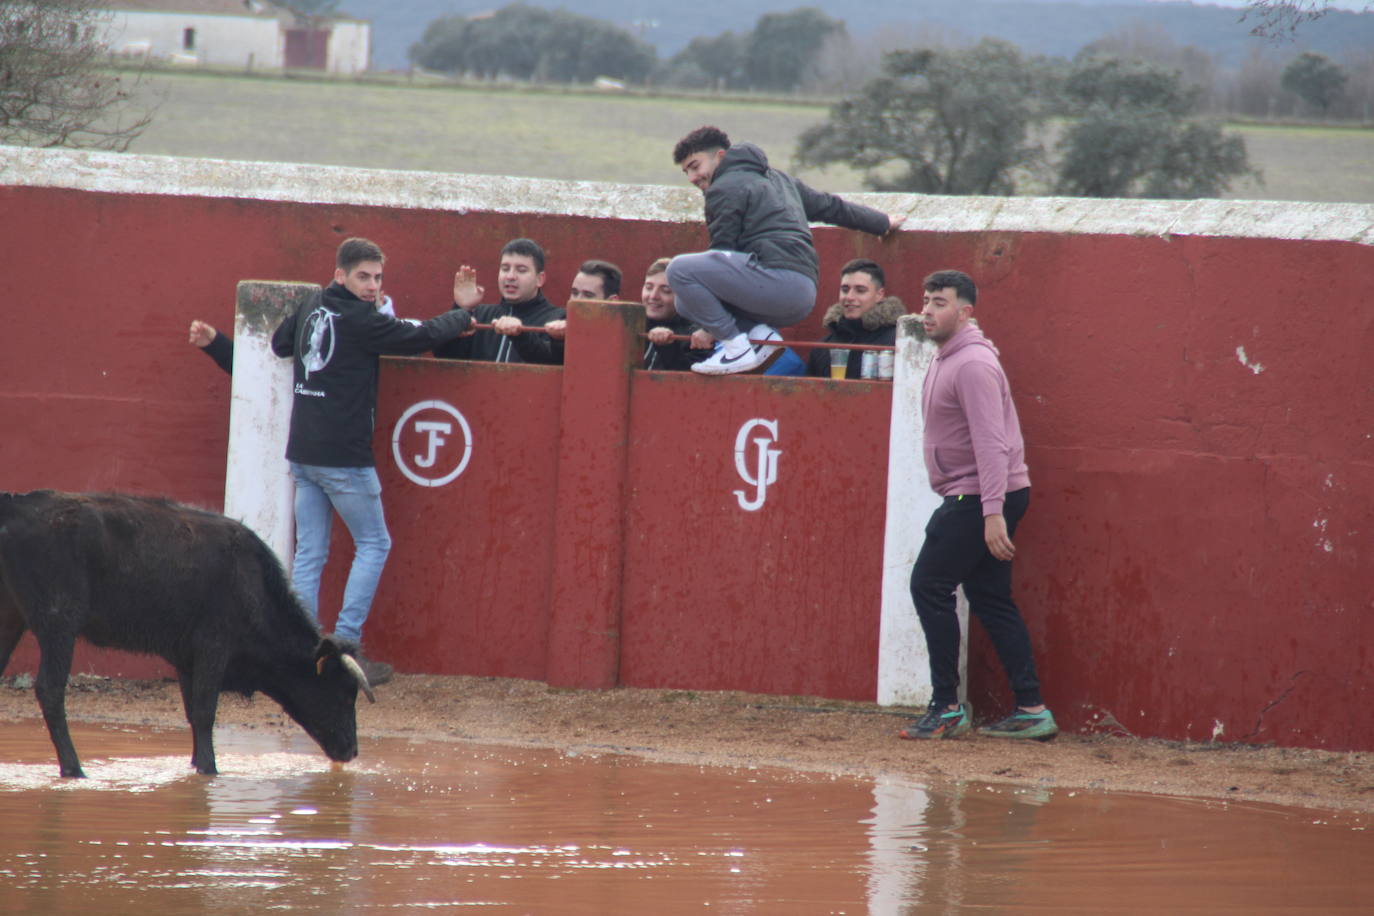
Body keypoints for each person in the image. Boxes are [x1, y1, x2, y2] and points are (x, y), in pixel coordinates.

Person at [271, 237, 474, 686]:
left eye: (378, 278)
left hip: (303, 451)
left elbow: (280, 344)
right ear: (340, 274)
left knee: (311, 553)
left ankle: (304, 648)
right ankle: (344, 647)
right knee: (375, 544)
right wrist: (463, 312)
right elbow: (421, 337)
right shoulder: (361, 319)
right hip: (343, 457)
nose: (372, 286)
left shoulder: (313, 303)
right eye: (363, 276)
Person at [898, 269, 1056, 742]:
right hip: (982, 493)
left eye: (940, 302)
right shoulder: (950, 356)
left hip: (981, 495)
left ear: (965, 312)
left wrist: (992, 513)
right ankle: (1031, 709)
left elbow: (992, 446)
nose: (927, 310)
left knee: (929, 585)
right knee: (989, 598)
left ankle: (946, 707)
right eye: (925, 300)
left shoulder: (971, 365)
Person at [666, 125, 905, 376]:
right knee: (684, 302)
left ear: (721, 157)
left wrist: (712, 329)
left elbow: (722, 253)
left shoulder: (723, 187)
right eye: (686, 172)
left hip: (773, 282)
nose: (692, 178)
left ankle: (736, 349)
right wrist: (882, 222)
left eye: (695, 166)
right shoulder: (780, 180)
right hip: (802, 294)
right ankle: (760, 335)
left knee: (679, 271)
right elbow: (830, 206)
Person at [433, 238, 564, 364]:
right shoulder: (479, 315)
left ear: (540, 279)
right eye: (505, 269)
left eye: (521, 270)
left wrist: (520, 335)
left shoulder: (557, 318)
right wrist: (462, 309)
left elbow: (553, 361)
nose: (510, 276)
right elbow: (444, 355)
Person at [806, 258, 906, 379]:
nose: (849, 297)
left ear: (879, 294)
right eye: (845, 290)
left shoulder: (897, 341)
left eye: (860, 290)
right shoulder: (821, 348)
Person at [540, 258, 625, 359]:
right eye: (575, 293)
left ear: (612, 301)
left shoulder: (624, 338)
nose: (577, 301)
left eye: (588, 295)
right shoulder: (559, 322)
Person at [639, 257, 713, 371]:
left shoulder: (697, 334)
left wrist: (667, 346)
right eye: (649, 288)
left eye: (665, 290)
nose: (653, 296)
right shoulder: (629, 323)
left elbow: (692, 381)